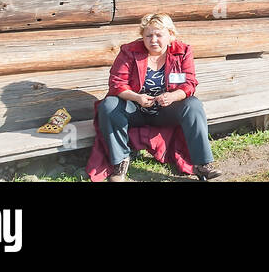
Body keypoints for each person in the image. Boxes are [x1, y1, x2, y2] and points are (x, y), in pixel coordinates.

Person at [92, 13, 221, 182]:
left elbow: (189, 84)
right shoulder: (129, 51)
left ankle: (202, 164)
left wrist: (173, 96)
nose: (153, 40)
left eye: (159, 35)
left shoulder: (183, 51)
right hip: (135, 109)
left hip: (166, 110)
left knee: (193, 105)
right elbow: (117, 84)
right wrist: (137, 97)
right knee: (109, 105)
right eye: (148, 35)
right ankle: (119, 163)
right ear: (142, 37)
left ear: (170, 36)